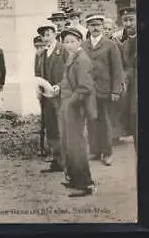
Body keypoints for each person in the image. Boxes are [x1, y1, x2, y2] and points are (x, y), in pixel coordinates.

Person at [53, 27, 96, 197]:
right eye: (66, 42)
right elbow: (67, 80)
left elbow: (85, 87)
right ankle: (74, 178)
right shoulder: (73, 57)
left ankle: (85, 184)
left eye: (72, 41)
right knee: (68, 143)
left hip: (75, 107)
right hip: (67, 105)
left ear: (79, 42)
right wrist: (58, 88)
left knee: (76, 145)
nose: (69, 45)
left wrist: (70, 103)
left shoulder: (82, 59)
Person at [83, 14, 125, 166]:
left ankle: (107, 153)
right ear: (87, 27)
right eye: (92, 25)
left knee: (104, 122)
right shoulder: (83, 45)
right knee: (91, 120)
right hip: (88, 91)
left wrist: (115, 90)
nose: (95, 28)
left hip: (104, 90)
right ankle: (94, 151)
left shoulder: (110, 45)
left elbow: (118, 70)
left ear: (102, 27)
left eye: (98, 25)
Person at [37, 21, 68, 173]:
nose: (45, 38)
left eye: (48, 34)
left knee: (63, 127)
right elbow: (38, 75)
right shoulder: (41, 54)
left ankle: (68, 161)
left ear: (55, 34)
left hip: (62, 96)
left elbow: (70, 71)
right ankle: (57, 161)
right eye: (43, 35)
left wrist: (61, 86)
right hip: (47, 97)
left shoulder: (63, 50)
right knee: (51, 129)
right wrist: (39, 89)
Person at [103, 17, 127, 141]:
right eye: (105, 28)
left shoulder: (117, 43)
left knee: (115, 108)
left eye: (109, 29)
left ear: (113, 30)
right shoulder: (99, 43)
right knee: (105, 109)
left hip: (114, 78)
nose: (107, 31)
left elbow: (122, 63)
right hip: (103, 80)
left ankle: (115, 135)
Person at [120, 7, 137, 150]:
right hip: (131, 88)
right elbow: (125, 66)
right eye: (125, 21)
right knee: (133, 116)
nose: (128, 24)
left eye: (131, 20)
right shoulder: (124, 44)